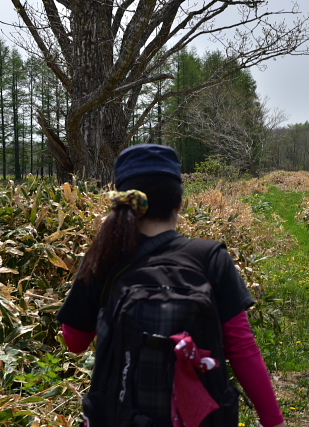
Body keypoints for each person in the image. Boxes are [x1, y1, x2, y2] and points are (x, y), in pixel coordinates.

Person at [56, 144, 286, 427]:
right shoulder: (210, 257)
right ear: (179, 202)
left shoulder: (102, 258)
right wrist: (273, 421)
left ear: (124, 200)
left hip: (119, 416)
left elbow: (75, 342)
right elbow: (242, 347)